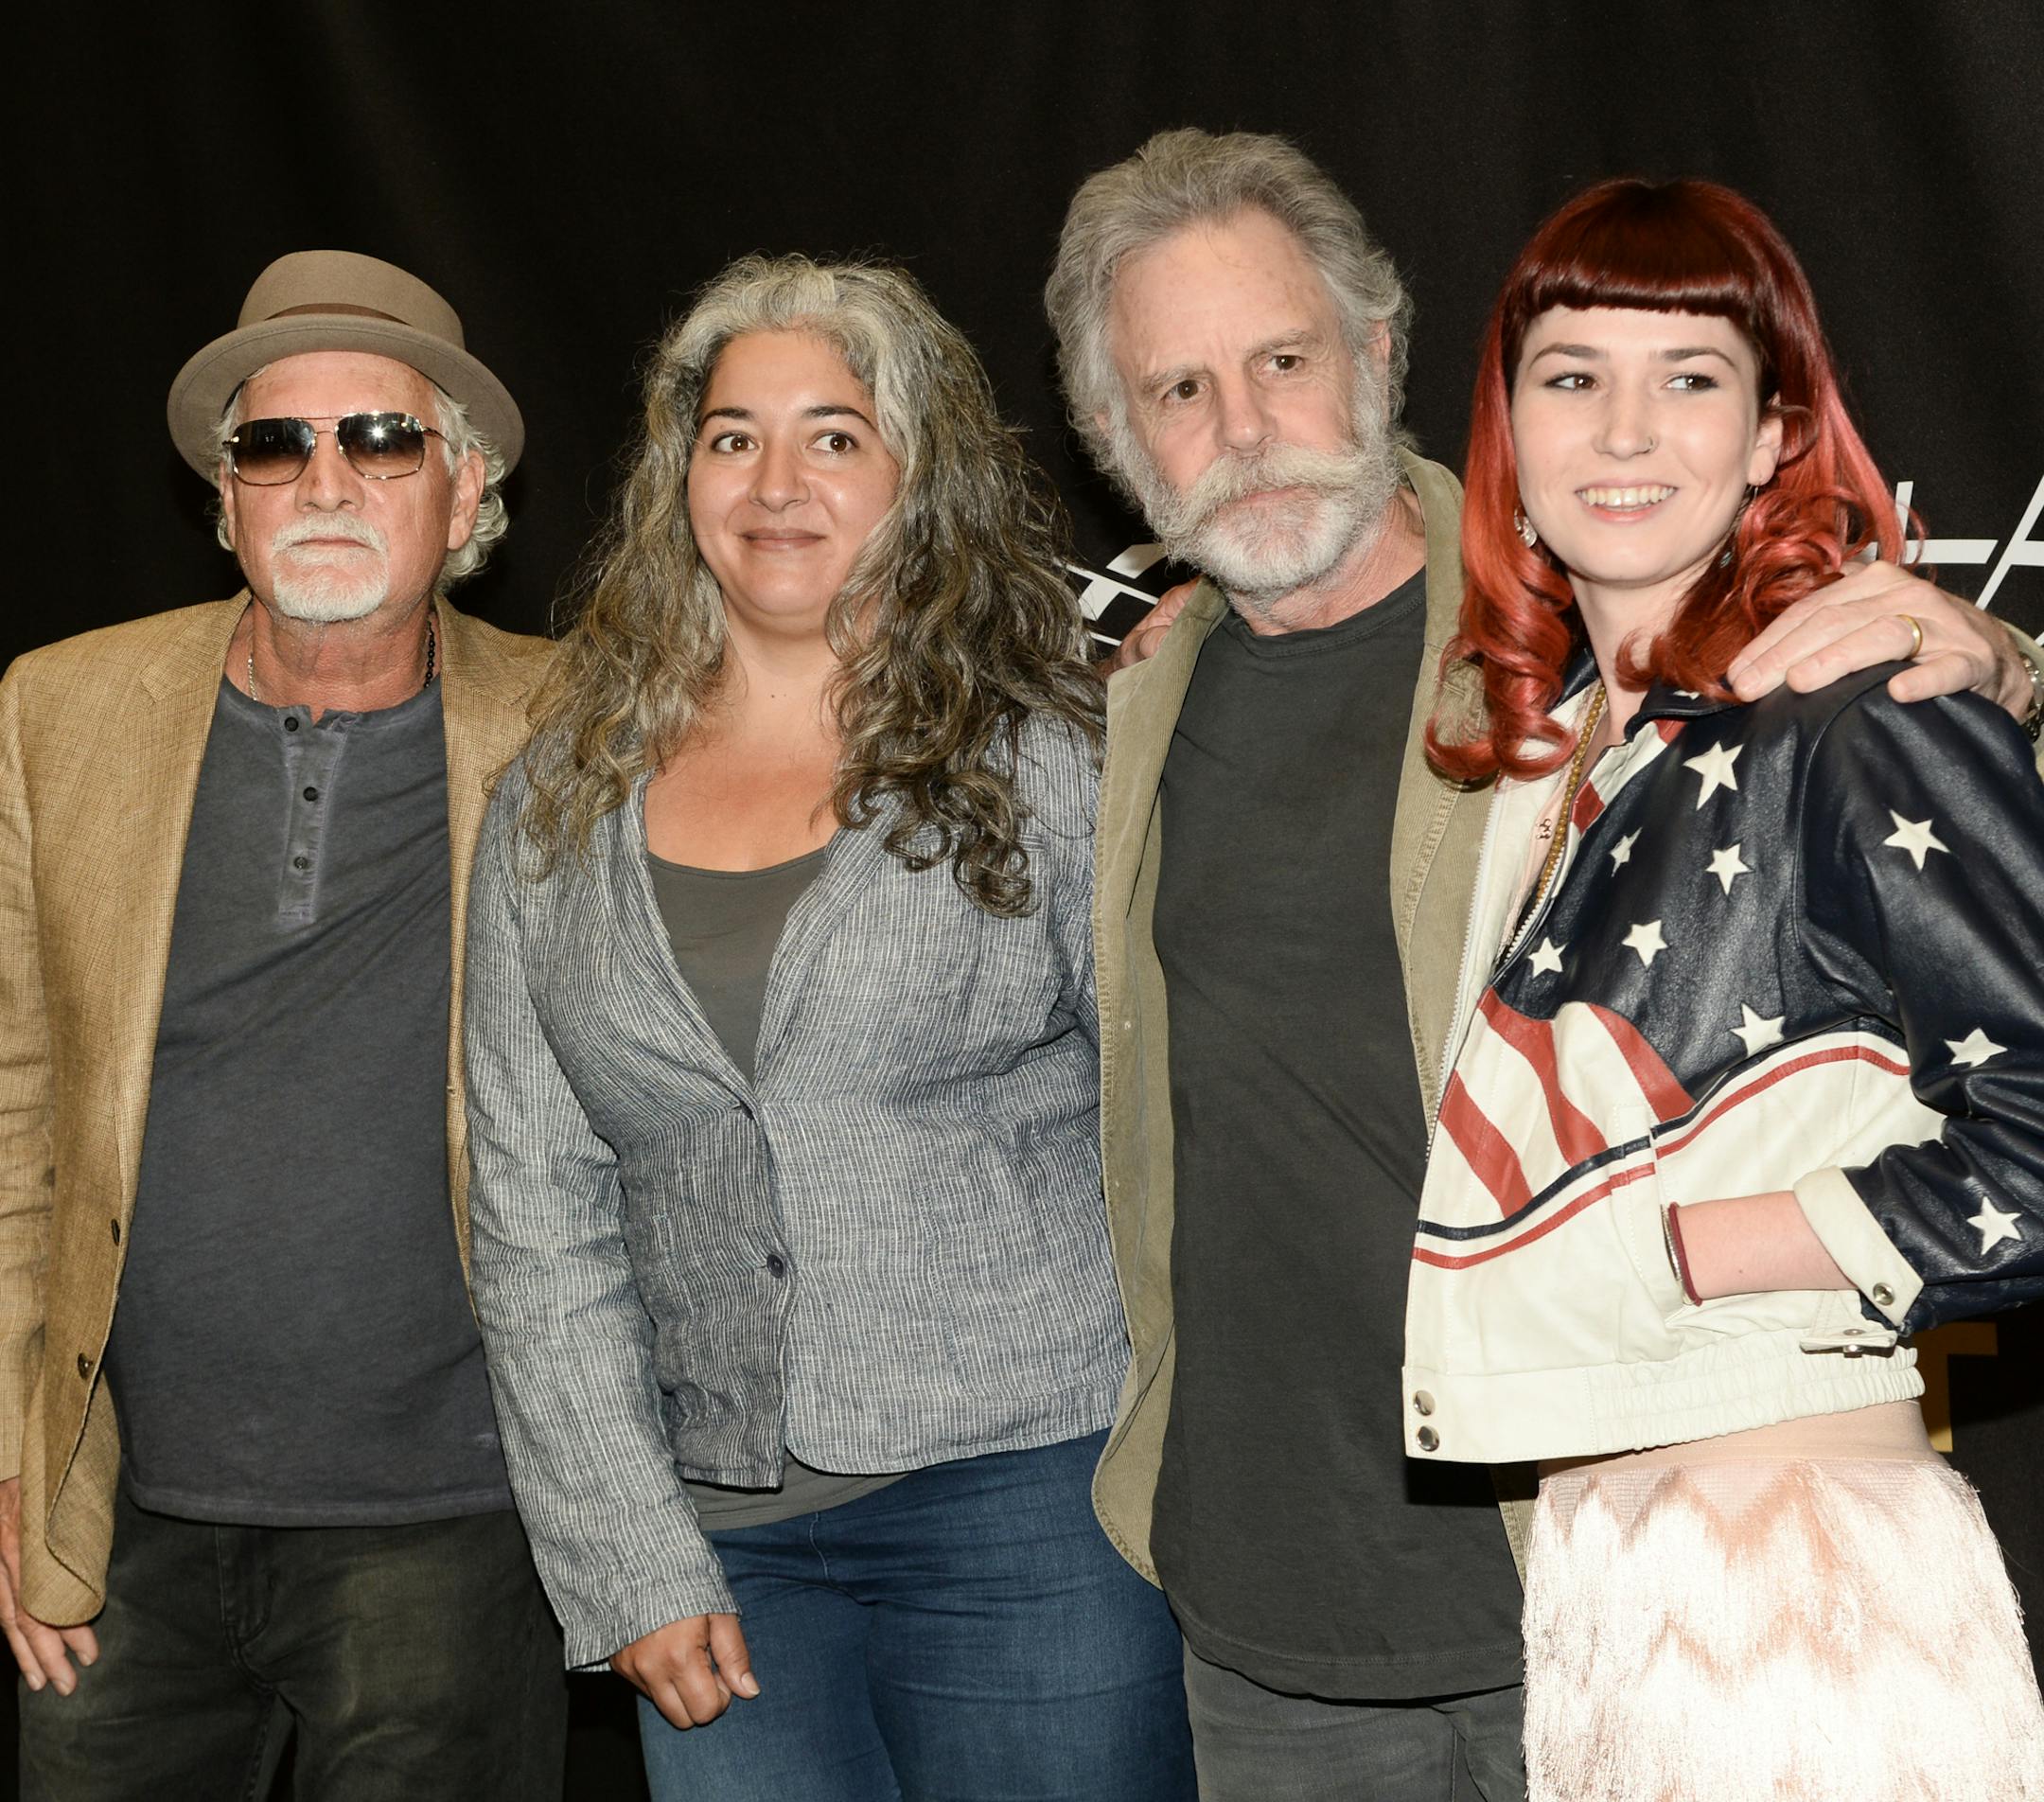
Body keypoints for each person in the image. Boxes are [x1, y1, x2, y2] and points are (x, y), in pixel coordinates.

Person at [1044, 127, 2044, 1800]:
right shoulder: (1163, 702)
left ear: (1383, 357)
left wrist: (1996, 663)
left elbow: (1929, 865)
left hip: (1645, 1574)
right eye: (1180, 390)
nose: (1246, 428)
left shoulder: (1640, 647)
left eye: (1284, 360)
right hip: (1284, 1607)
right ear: (1115, 437)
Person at [462, 254, 1195, 1802]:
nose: (776, 483)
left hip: (1032, 1506)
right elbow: (535, 1213)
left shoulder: (1050, 760)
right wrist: (623, 1554)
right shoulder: (553, 804)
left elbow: (1169, 1123)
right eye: (733, 437)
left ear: (919, 475)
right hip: (717, 1550)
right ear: (679, 478)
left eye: (835, 436)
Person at [1406, 176, 2044, 1799]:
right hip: (1605, 1578)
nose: (1624, 431)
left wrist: (1691, 1248)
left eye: (1688, 378)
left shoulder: (1859, 705)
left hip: (1806, 1591)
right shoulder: (1565, 751)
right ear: (1509, 430)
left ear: (1773, 436)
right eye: (1572, 377)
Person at [0, 252, 566, 1796]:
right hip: (117, 1513)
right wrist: (12, 1455)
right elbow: (14, 1107)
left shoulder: (589, 724)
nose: (325, 480)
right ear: (226, 494)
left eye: (381, 438)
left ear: (465, 489)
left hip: (455, 1518)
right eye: (274, 443)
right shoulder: (57, 710)